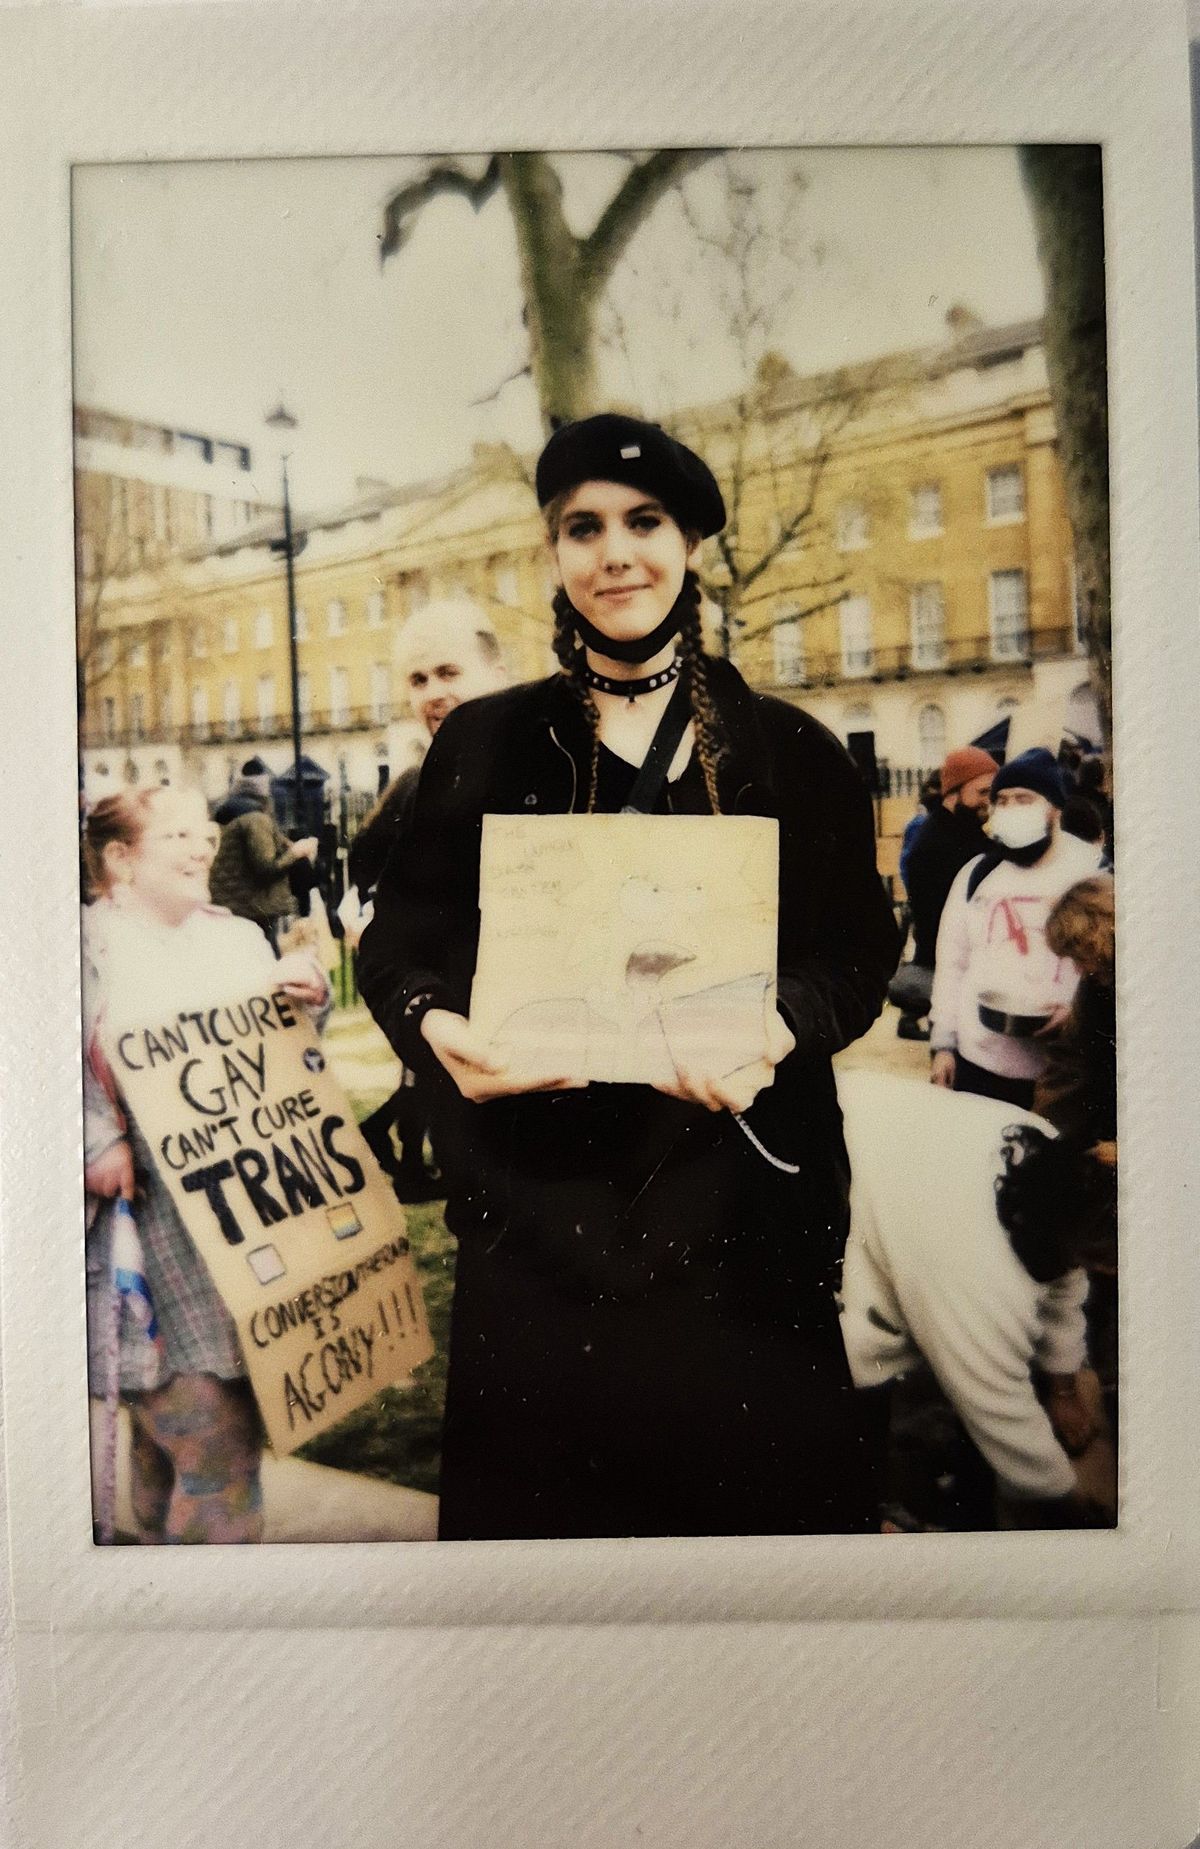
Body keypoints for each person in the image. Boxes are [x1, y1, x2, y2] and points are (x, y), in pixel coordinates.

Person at [357, 411, 901, 1540]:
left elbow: (858, 947)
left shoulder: (789, 748)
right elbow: (398, 946)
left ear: (690, 541)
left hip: (739, 1227)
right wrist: (433, 1027)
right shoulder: (485, 745)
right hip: (541, 1234)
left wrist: (781, 1026)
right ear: (554, 554)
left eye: (644, 522)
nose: (615, 553)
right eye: (582, 527)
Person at [83, 784, 328, 1542]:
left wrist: (307, 999)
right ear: (120, 857)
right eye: (179, 835)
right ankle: (209, 1629)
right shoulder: (78, 947)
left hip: (243, 1232)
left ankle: (150, 1601)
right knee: (213, 1452)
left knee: (174, 1455)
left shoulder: (236, 939)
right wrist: (93, 1138)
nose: (204, 847)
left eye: (206, 836)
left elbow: (284, 1067)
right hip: (147, 1240)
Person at [838, 1070, 1115, 1528]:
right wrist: (1076, 1506)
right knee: (838, 1365)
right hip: (823, 1157)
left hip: (872, 1132)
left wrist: (1063, 1385)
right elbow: (1000, 1409)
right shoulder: (975, 1265)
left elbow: (1068, 1271)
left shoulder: (1056, 1158)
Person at [348, 600, 509, 1201]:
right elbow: (377, 899)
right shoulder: (417, 791)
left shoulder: (557, 761)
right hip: (457, 1053)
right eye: (418, 680)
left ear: (495, 674)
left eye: (449, 672)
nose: (433, 693)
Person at [929, 747, 1104, 1108]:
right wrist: (943, 1045)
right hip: (978, 1065)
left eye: (1023, 799)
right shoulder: (977, 874)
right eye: (1002, 800)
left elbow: (1114, 970)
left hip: (1060, 1075)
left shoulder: (1094, 872)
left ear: (1054, 808)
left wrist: (1078, 1017)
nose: (1009, 809)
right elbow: (952, 963)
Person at [891, 749, 996, 1041]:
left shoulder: (959, 831)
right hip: (949, 969)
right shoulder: (939, 844)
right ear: (953, 793)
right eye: (983, 792)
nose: (990, 801)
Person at [208, 759, 317, 947]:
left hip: (235, 904)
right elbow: (266, 867)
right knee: (265, 960)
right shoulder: (256, 820)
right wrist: (296, 852)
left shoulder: (229, 815)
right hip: (254, 907)